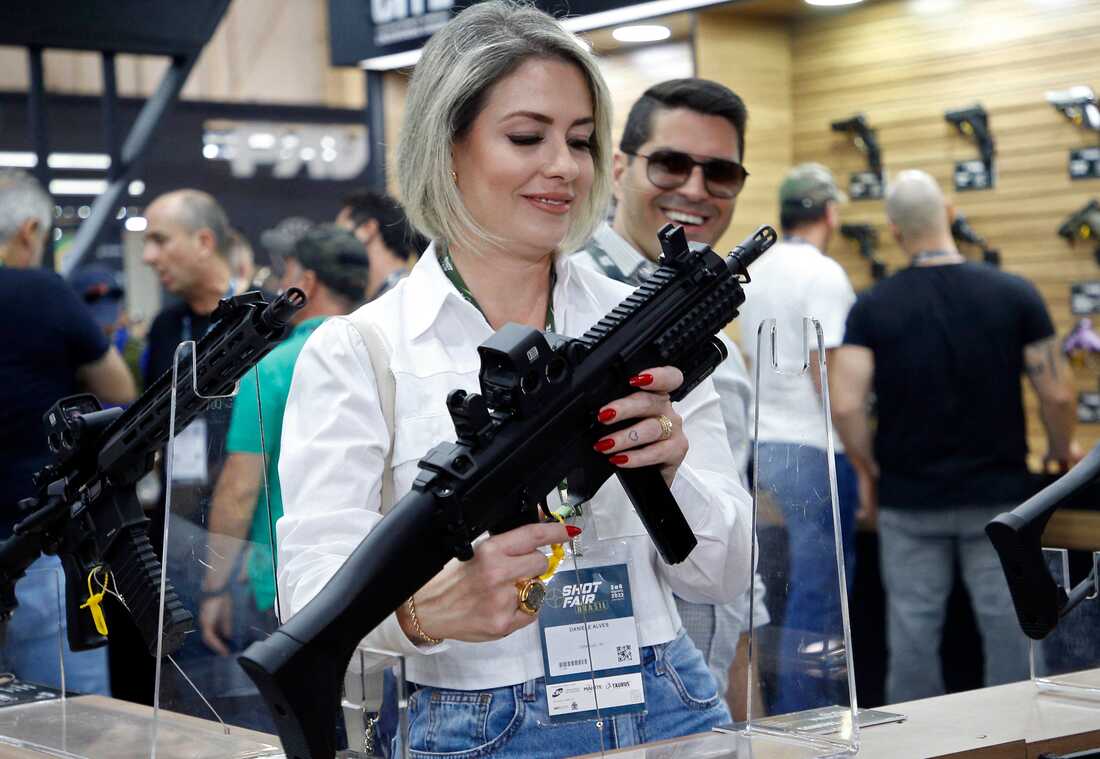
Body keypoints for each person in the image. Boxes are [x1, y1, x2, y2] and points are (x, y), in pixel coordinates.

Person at [276, 4, 753, 757]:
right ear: (448, 145)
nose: (563, 166)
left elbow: (722, 574)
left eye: (582, 141)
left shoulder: (644, 322)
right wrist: (425, 612)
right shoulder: (360, 351)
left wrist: (673, 463)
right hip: (476, 723)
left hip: (667, 697)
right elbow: (307, 597)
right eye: (527, 137)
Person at [830, 170, 1080, 703]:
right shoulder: (1013, 292)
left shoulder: (873, 305)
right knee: (1011, 632)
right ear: (949, 210)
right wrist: (1062, 452)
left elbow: (846, 401)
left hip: (908, 500)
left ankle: (918, 747)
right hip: (1000, 504)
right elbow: (1057, 393)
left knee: (912, 634)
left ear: (895, 231)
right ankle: (1015, 740)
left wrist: (869, 468)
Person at [572, 77, 768, 719]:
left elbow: (730, 539)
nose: (694, 189)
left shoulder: (708, 322)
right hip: (609, 695)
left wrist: (742, 718)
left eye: (720, 173)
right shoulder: (566, 300)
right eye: (671, 163)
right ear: (622, 167)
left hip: (697, 692)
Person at [199, 224, 368, 655]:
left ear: (307, 282)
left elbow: (240, 488)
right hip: (370, 577)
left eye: (288, 272)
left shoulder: (272, 367)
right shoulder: (380, 354)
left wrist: (214, 587)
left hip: (283, 586)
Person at [0, 169, 136, 694]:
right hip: (35, 544)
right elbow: (118, 390)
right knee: (72, 721)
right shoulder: (41, 291)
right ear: (30, 230)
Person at [735, 163, 859, 714]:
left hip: (764, 448)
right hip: (814, 447)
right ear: (829, 214)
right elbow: (824, 370)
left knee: (776, 589)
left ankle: (785, 705)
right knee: (821, 589)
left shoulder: (760, 269)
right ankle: (813, 715)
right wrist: (862, 456)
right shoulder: (825, 273)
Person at [335, 190, 420, 300]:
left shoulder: (411, 293)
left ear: (368, 228)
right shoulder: (394, 293)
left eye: (340, 232)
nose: (335, 243)